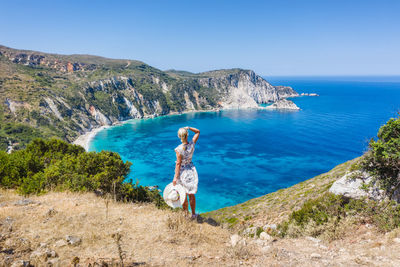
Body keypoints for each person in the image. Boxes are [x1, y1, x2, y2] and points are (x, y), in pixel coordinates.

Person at [173, 126, 200, 219]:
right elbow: (198, 132)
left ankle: (185, 215)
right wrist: (188, 127)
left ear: (178, 136)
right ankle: (193, 214)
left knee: (183, 194)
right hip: (191, 170)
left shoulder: (178, 149)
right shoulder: (192, 143)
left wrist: (175, 178)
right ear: (187, 135)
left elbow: (178, 164)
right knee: (191, 194)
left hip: (182, 173)